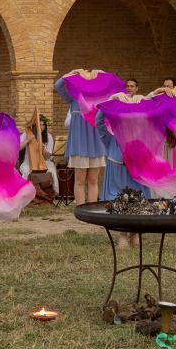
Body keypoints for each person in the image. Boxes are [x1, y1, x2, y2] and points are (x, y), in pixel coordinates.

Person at [96, 103, 150, 248]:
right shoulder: (110, 139)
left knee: (137, 202)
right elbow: (99, 122)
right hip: (116, 176)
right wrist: (108, 103)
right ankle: (123, 234)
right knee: (119, 203)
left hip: (135, 176)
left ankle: (135, 233)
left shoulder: (140, 139)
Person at [54, 70, 108, 205]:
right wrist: (72, 73)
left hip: (96, 143)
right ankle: (81, 208)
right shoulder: (74, 98)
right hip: (79, 143)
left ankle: (91, 208)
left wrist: (99, 74)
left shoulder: (100, 98)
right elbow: (58, 86)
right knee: (79, 180)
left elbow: (108, 83)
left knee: (93, 180)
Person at [18, 114, 59, 203]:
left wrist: (43, 150)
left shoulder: (48, 137)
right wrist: (28, 140)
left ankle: (54, 194)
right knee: (26, 170)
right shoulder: (26, 134)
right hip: (28, 162)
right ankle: (24, 195)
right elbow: (18, 147)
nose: (41, 127)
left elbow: (49, 156)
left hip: (45, 162)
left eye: (43, 125)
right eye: (39, 124)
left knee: (52, 171)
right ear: (35, 125)